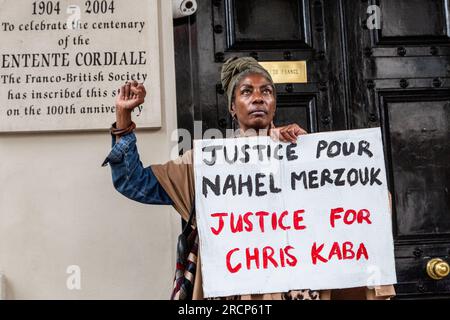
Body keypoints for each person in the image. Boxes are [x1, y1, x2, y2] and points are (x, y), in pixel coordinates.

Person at [102, 57, 395, 300]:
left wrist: (304, 157)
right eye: (246, 92)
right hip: (236, 296)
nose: (258, 97)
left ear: (274, 103)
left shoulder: (310, 155)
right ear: (232, 107)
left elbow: (369, 202)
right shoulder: (206, 164)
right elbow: (134, 183)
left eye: (266, 91)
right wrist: (123, 117)